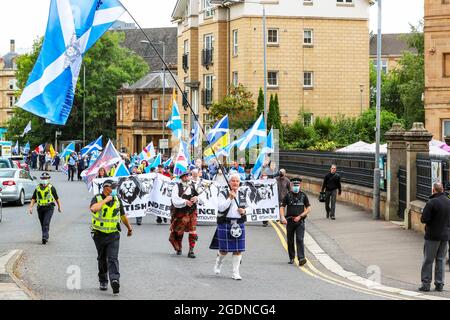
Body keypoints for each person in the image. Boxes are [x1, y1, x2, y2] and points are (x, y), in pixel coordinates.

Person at [90, 180, 133, 295]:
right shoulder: (97, 198)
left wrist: (129, 228)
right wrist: (105, 200)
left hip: (113, 234)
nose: (114, 189)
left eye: (115, 187)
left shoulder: (117, 199)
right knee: (102, 258)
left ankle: (114, 280)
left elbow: (122, 215)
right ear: (105, 188)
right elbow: (93, 208)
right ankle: (103, 280)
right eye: (112, 187)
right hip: (99, 234)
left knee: (113, 258)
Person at [210, 173, 249, 280]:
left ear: (239, 183)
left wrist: (245, 210)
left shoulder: (243, 193)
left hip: (239, 223)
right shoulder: (223, 192)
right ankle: (218, 262)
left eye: (237, 181)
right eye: (233, 181)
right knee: (224, 250)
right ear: (229, 182)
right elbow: (221, 208)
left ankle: (235, 273)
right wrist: (230, 198)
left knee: (238, 250)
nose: (235, 183)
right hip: (225, 223)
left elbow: (250, 207)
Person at [418, 183, 450, 292]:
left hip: (432, 236)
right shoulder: (448, 202)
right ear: (443, 189)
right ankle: (439, 284)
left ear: (433, 190)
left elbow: (424, 219)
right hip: (445, 236)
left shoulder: (431, 202)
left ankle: (426, 284)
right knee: (440, 260)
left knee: (428, 260)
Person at [280, 178, 311, 266]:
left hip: (300, 221)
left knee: (300, 239)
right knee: (290, 240)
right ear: (291, 186)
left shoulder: (304, 196)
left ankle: (301, 258)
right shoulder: (288, 195)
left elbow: (308, 209)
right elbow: (282, 207)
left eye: (297, 185)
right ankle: (291, 257)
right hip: (289, 221)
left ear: (300, 186)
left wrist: (300, 216)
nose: (296, 187)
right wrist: (282, 217)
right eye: (294, 185)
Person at [169, 172, 199, 258]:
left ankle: (191, 250)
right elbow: (175, 199)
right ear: (181, 178)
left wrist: (197, 198)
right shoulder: (177, 186)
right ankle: (179, 248)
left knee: (193, 231)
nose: (186, 177)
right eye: (184, 176)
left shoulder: (194, 185)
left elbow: (200, 197)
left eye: (188, 176)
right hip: (181, 211)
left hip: (192, 211)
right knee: (179, 231)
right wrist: (185, 202)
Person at [28, 172, 62, 244]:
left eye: (46, 178)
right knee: (42, 223)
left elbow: (56, 198)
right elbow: (33, 198)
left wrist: (59, 207)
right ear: (41, 179)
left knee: (46, 222)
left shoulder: (51, 188)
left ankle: (44, 237)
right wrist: (31, 207)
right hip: (40, 208)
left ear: (49, 179)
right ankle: (46, 234)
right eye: (43, 178)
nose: (44, 179)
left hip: (49, 207)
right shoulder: (37, 188)